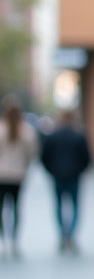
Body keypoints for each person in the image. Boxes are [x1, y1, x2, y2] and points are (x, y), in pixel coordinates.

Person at [40, 109, 92, 254]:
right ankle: (71, 234)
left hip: (58, 176)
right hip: (74, 176)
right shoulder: (79, 136)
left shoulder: (52, 136)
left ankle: (63, 234)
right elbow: (87, 158)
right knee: (75, 206)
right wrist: (79, 171)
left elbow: (44, 157)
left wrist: (51, 171)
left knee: (59, 205)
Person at [0, 95, 40, 259]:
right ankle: (14, 242)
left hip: (1, 176)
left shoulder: (1, 130)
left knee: (1, 209)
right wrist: (24, 166)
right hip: (18, 176)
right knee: (16, 208)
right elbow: (32, 153)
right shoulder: (27, 131)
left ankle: (3, 242)